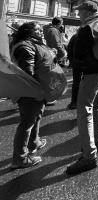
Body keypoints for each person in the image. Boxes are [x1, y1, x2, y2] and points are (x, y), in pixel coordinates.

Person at [66, 1, 98, 175]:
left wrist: (78, 64)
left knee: (84, 109)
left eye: (80, 12)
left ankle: (89, 156)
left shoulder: (88, 28)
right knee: (97, 104)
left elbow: (78, 53)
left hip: (92, 71)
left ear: (87, 12)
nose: (78, 15)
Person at [10, 22, 50, 169]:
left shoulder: (32, 44)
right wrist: (39, 90)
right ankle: (19, 158)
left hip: (36, 89)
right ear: (28, 32)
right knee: (27, 123)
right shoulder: (24, 47)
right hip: (30, 90)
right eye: (37, 29)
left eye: (41, 29)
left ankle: (34, 142)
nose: (41, 31)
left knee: (36, 116)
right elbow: (29, 73)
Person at [66, 31, 80, 110]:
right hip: (89, 66)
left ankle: (74, 102)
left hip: (77, 64)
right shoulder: (93, 35)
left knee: (76, 83)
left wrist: (72, 61)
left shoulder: (75, 36)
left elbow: (69, 48)